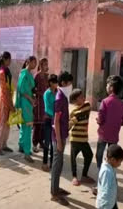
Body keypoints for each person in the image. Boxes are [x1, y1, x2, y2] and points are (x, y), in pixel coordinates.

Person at [96, 75, 123, 170]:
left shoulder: (105, 102)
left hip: (103, 134)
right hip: (114, 136)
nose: (106, 87)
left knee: (99, 155)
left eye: (107, 85)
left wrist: (99, 121)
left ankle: (100, 170)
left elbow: (100, 118)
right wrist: (116, 122)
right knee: (112, 157)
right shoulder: (122, 104)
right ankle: (110, 171)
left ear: (111, 87)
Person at [50, 71, 71, 206]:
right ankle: (54, 193)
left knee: (60, 163)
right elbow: (56, 121)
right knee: (57, 165)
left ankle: (56, 188)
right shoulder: (59, 98)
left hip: (62, 134)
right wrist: (58, 140)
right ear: (63, 83)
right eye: (69, 83)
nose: (71, 85)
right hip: (58, 136)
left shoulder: (64, 96)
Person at [69, 89, 95, 186]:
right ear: (75, 101)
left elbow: (82, 114)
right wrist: (70, 123)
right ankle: (74, 176)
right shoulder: (73, 112)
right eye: (80, 97)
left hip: (84, 139)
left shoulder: (87, 105)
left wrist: (75, 119)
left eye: (83, 96)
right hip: (75, 139)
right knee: (73, 158)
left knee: (89, 155)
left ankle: (84, 175)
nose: (83, 98)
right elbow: (69, 125)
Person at [16, 56, 37, 163]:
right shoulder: (24, 74)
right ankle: (27, 153)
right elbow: (23, 91)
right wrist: (31, 100)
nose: (35, 64)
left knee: (24, 126)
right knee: (28, 127)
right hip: (25, 102)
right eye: (34, 62)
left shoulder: (28, 74)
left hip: (28, 102)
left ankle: (22, 145)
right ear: (28, 62)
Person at [0, 52, 15, 156]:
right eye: (9, 59)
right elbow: (4, 90)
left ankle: (4, 144)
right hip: (4, 100)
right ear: (6, 60)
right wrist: (10, 104)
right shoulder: (2, 72)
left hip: (9, 98)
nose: (10, 61)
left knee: (8, 124)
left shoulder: (7, 71)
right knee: (2, 124)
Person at [96, 144, 123, 209]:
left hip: (111, 201)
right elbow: (105, 191)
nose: (120, 164)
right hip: (106, 205)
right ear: (113, 160)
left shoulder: (110, 166)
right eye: (119, 162)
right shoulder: (106, 172)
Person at [32, 58, 49, 153]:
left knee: (44, 124)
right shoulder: (37, 76)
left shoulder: (47, 76)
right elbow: (33, 89)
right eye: (44, 64)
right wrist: (39, 93)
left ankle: (41, 143)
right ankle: (34, 144)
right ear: (41, 65)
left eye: (47, 64)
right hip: (39, 103)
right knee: (37, 125)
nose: (46, 66)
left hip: (46, 103)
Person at [42, 74, 58, 172]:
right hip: (49, 119)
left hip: (55, 120)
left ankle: (52, 163)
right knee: (47, 142)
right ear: (51, 83)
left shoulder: (58, 92)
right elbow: (48, 108)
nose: (57, 84)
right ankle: (44, 162)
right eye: (55, 82)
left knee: (53, 143)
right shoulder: (47, 93)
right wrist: (56, 115)